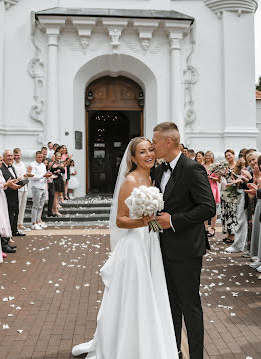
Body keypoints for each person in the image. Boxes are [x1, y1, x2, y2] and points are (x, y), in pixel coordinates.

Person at [72, 137, 179, 358]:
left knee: (152, 291)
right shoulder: (130, 181)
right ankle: (127, 345)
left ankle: (150, 341)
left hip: (151, 242)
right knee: (135, 295)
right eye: (142, 152)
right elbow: (121, 220)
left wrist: (153, 221)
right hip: (135, 245)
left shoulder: (153, 177)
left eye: (151, 149)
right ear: (133, 158)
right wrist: (146, 221)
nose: (149, 154)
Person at [152, 122, 216, 359]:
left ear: (168, 142)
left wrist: (174, 220)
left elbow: (208, 207)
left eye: (155, 141)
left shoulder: (192, 168)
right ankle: (174, 351)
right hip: (163, 248)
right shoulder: (159, 170)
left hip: (187, 250)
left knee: (190, 306)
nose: (152, 146)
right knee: (171, 305)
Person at [0, 150, 25, 237]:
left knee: (16, 212)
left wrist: (19, 182)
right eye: (8, 156)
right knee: (9, 214)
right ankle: (8, 234)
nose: (11, 157)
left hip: (15, 193)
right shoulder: (1, 168)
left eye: (11, 156)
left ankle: (14, 230)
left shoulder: (12, 167)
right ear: (3, 157)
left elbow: (13, 179)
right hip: (7, 195)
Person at [30, 151, 52, 229]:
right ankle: (33, 223)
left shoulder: (43, 165)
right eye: (39, 157)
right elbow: (32, 177)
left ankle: (38, 221)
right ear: (36, 157)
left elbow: (44, 174)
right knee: (35, 205)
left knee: (41, 206)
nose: (40, 159)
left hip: (43, 186)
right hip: (36, 187)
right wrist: (43, 175)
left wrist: (47, 176)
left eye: (41, 157)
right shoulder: (32, 165)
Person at [220, 149, 238, 244]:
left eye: (229, 155)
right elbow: (220, 179)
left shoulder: (236, 166)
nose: (228, 157)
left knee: (232, 212)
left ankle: (233, 234)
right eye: (226, 155)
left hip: (232, 191)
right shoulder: (224, 166)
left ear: (233, 155)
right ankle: (228, 233)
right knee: (226, 212)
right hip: (224, 190)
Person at [13, 148, 32, 232]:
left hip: (25, 187)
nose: (17, 157)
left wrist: (28, 174)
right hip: (17, 188)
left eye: (18, 155)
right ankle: (15, 224)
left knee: (23, 207)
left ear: (20, 155)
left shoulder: (23, 164)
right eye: (15, 155)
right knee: (17, 207)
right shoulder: (12, 165)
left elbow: (24, 176)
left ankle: (20, 223)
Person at [203, 151, 220, 237]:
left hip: (212, 187)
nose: (208, 156)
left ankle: (212, 228)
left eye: (210, 155)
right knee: (204, 207)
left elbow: (219, 179)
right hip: (203, 187)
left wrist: (211, 177)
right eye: (206, 155)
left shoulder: (215, 166)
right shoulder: (201, 166)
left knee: (213, 207)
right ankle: (205, 227)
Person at [51, 151, 65, 216]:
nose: (59, 157)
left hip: (59, 179)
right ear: (55, 156)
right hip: (55, 179)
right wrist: (56, 170)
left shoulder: (61, 163)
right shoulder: (53, 163)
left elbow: (63, 171)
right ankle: (55, 209)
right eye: (58, 156)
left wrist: (61, 168)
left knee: (58, 194)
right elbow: (52, 170)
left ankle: (55, 208)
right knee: (55, 195)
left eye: (60, 156)